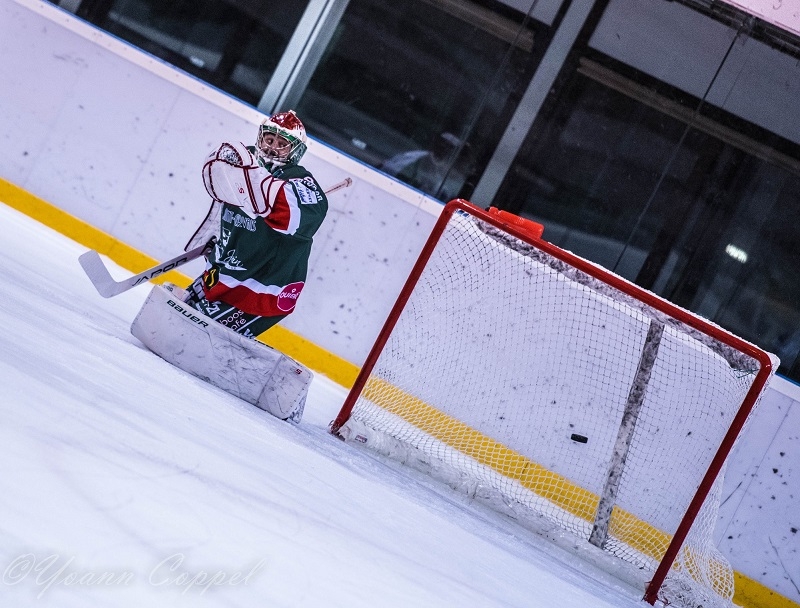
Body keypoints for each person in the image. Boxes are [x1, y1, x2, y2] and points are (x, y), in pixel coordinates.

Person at [179, 110, 328, 339]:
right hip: (224, 274)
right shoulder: (244, 161)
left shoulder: (302, 184)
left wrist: (261, 185)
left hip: (261, 291)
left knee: (191, 334)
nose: (272, 147)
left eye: (282, 144)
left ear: (295, 151)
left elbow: (294, 215)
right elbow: (220, 189)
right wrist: (214, 239)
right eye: (269, 139)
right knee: (179, 316)